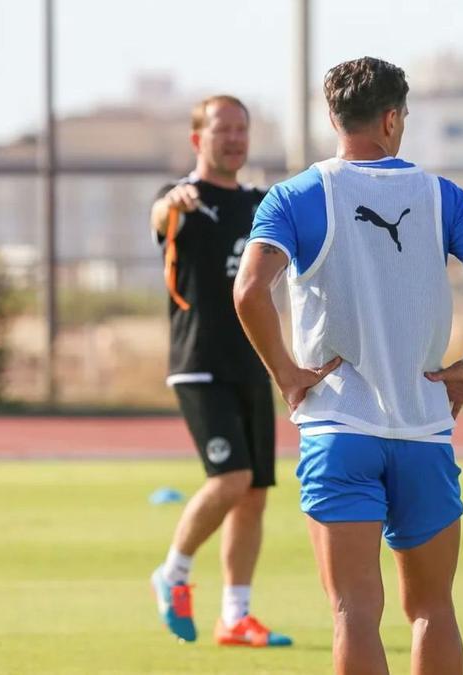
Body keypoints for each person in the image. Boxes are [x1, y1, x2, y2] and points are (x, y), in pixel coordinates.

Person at [234, 57, 463, 675]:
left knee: (353, 610)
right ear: (394, 118)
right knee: (432, 610)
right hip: (424, 430)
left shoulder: (295, 196)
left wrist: (288, 374)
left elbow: (248, 292)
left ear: (332, 116)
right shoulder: (438, 196)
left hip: (339, 429)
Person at [147, 95, 291, 648]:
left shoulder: (260, 204)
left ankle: (236, 615)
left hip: (254, 361)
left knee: (252, 493)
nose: (233, 138)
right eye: (221, 129)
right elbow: (160, 214)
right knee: (228, 480)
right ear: (197, 139)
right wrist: (171, 205)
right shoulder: (181, 200)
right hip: (200, 364)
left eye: (241, 129)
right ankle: (174, 572)